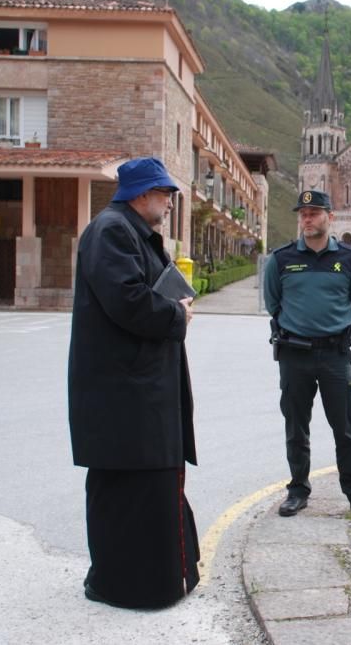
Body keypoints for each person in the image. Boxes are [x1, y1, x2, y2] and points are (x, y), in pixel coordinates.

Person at [67, 156, 199, 609]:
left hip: (138, 391)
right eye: (164, 194)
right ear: (142, 194)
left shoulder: (129, 230)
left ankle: (155, 581)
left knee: (148, 488)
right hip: (124, 395)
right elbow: (126, 300)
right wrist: (176, 313)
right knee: (127, 490)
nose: (168, 202)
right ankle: (124, 585)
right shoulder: (110, 230)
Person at [262, 190, 351, 521]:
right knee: (296, 426)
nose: (307, 218)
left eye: (314, 212)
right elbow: (273, 303)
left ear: (330, 217)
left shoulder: (349, 259)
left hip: (335, 355)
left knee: (345, 427)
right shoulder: (282, 259)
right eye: (303, 213)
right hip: (294, 354)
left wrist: (331, 328)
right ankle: (298, 491)